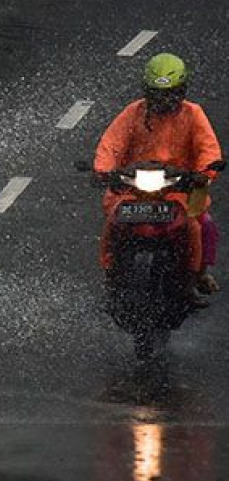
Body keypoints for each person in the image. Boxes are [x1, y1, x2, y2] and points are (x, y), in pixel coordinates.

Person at [94, 52, 222, 302]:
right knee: (113, 222)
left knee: (201, 224)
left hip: (181, 187)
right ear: (147, 91)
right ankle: (110, 276)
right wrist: (103, 171)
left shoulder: (193, 114)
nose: (163, 100)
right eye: (157, 94)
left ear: (181, 91)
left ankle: (197, 276)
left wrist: (203, 173)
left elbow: (209, 149)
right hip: (133, 187)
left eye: (170, 93)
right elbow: (111, 144)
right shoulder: (133, 112)